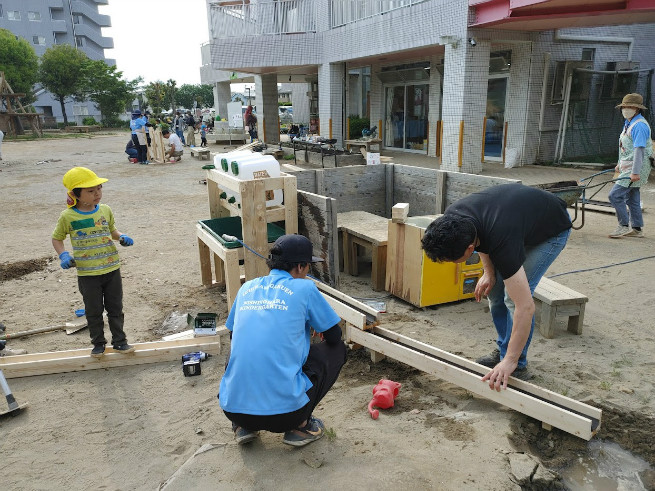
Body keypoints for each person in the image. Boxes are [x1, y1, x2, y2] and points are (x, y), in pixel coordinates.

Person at [420, 184, 572, 389]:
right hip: (517, 221)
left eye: (452, 260)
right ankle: (504, 348)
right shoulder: (453, 218)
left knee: (513, 298)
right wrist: (489, 273)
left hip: (551, 230)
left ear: (469, 249)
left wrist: (510, 359)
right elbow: (482, 237)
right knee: (495, 290)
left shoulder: (502, 240)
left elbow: (525, 307)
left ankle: (516, 363)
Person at [218, 234, 347, 447]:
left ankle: (243, 427)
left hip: (233, 410)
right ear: (300, 267)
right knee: (337, 350)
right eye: (307, 268)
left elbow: (234, 334)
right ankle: (301, 426)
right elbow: (334, 336)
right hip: (286, 415)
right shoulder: (305, 288)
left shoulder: (246, 288)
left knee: (240, 347)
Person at [51, 167, 135, 357]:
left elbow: (112, 231)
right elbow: (57, 238)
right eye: (90, 191)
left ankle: (120, 342)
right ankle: (98, 344)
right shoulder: (68, 216)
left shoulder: (105, 210)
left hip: (111, 268)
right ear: (75, 195)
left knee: (115, 308)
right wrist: (63, 255)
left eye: (99, 188)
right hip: (88, 274)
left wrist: (122, 237)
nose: (97, 193)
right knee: (93, 311)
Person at [608, 93, 653, 238]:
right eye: (624, 106)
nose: (626, 109)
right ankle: (637, 229)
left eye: (629, 107)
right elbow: (624, 147)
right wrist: (618, 164)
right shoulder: (629, 122)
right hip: (628, 165)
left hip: (636, 167)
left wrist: (635, 172)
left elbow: (639, 150)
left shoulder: (639, 125)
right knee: (632, 197)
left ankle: (623, 225)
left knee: (614, 196)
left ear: (637, 108)